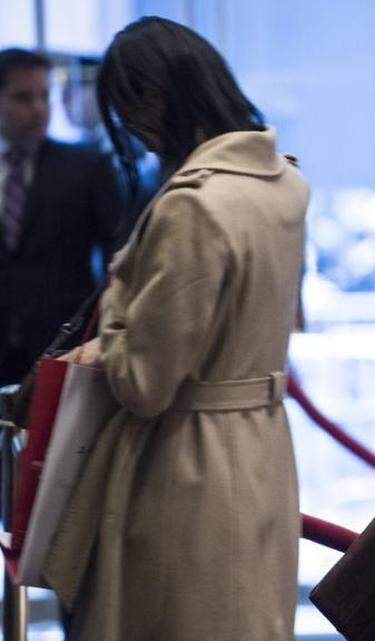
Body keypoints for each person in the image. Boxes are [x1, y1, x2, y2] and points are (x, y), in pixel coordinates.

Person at [44, 17, 308, 641]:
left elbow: (142, 382)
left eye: (128, 109)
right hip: (264, 448)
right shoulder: (285, 184)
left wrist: (117, 294)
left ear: (155, 98)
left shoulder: (192, 204)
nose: (131, 129)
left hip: (185, 466)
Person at [0, 48, 126, 385]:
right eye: (23, 98)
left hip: (63, 344)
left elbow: (120, 254)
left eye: (44, 96)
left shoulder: (87, 168)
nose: (38, 109)